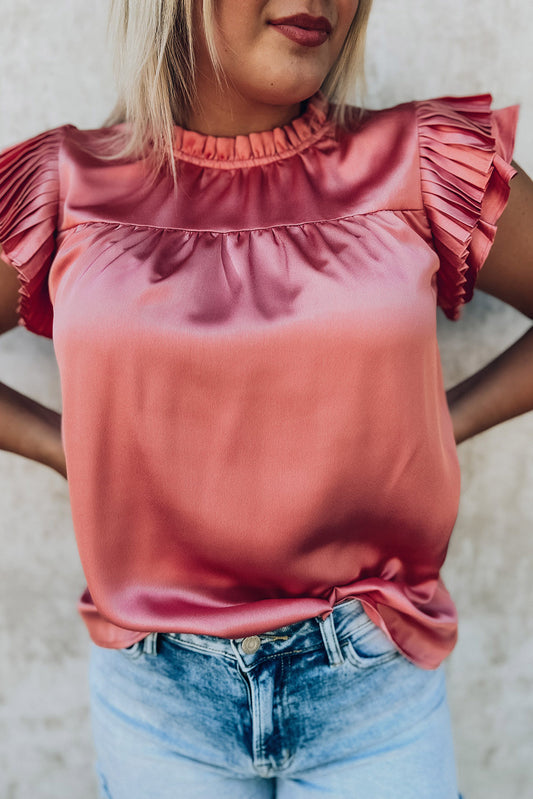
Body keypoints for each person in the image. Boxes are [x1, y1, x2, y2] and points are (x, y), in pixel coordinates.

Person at [0, 1, 532, 797]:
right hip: (157, 701)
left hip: (370, 691)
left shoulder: (420, 161)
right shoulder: (63, 186)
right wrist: (60, 444)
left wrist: (433, 424)